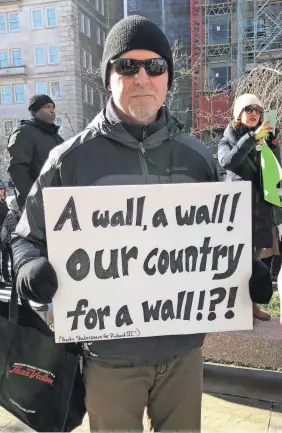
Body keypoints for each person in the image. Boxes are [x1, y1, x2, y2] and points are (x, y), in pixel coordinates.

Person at [12, 15, 218, 432]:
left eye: (154, 67)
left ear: (167, 78)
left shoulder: (199, 159)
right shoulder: (68, 160)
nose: (142, 77)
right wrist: (29, 270)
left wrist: (249, 274)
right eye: (128, 66)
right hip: (109, 357)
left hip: (184, 352)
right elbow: (25, 239)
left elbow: (222, 241)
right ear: (109, 77)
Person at [218, 93, 279, 321]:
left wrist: (272, 145)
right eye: (248, 109)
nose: (254, 113)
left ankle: (251, 306)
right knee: (235, 262)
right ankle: (230, 307)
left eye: (257, 110)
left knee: (254, 261)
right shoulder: (228, 139)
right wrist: (253, 137)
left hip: (259, 211)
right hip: (237, 212)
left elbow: (276, 175)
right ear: (238, 114)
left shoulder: (264, 140)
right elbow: (228, 162)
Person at [8, 94, 64, 211]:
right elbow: (18, 170)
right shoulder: (24, 132)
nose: (52, 110)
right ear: (36, 111)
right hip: (37, 205)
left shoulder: (56, 137)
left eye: (53, 107)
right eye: (47, 107)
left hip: (58, 200)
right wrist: (35, 198)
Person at [0, 196, 21, 283]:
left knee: (6, 259)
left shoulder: (9, 214)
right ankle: (13, 277)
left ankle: (7, 277)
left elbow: (4, 230)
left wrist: (2, 241)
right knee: (13, 260)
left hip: (8, 241)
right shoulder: (19, 214)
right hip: (15, 241)